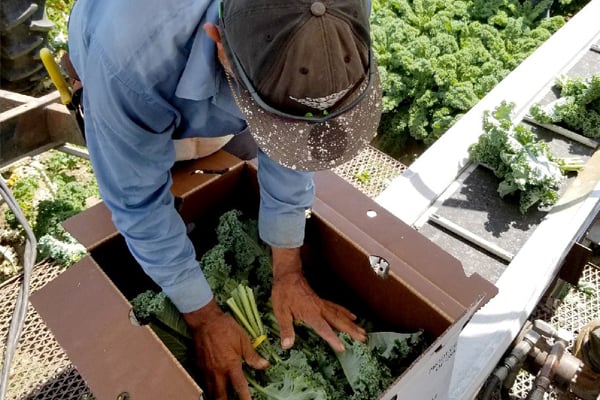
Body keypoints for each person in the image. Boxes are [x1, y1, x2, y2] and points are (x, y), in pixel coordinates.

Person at [67, 0, 382, 398]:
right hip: (129, 69)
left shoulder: (335, 12)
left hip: (209, 74)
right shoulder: (127, 66)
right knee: (151, 171)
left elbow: (297, 138)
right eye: (266, 109)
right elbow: (138, 203)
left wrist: (288, 270)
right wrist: (203, 318)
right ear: (218, 42)